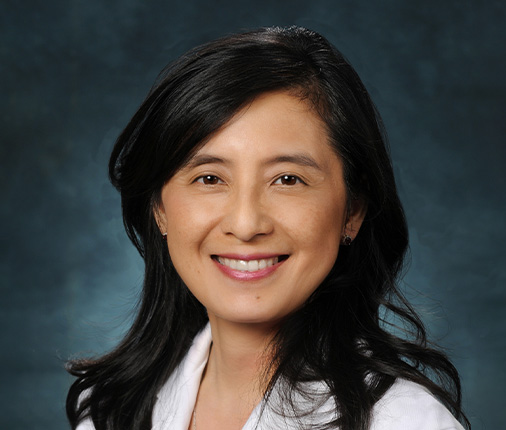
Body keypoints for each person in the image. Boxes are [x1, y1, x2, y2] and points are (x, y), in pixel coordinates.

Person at [66, 26, 470, 430]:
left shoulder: (406, 421)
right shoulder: (107, 409)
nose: (245, 225)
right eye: (209, 178)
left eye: (288, 179)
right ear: (159, 209)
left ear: (353, 210)